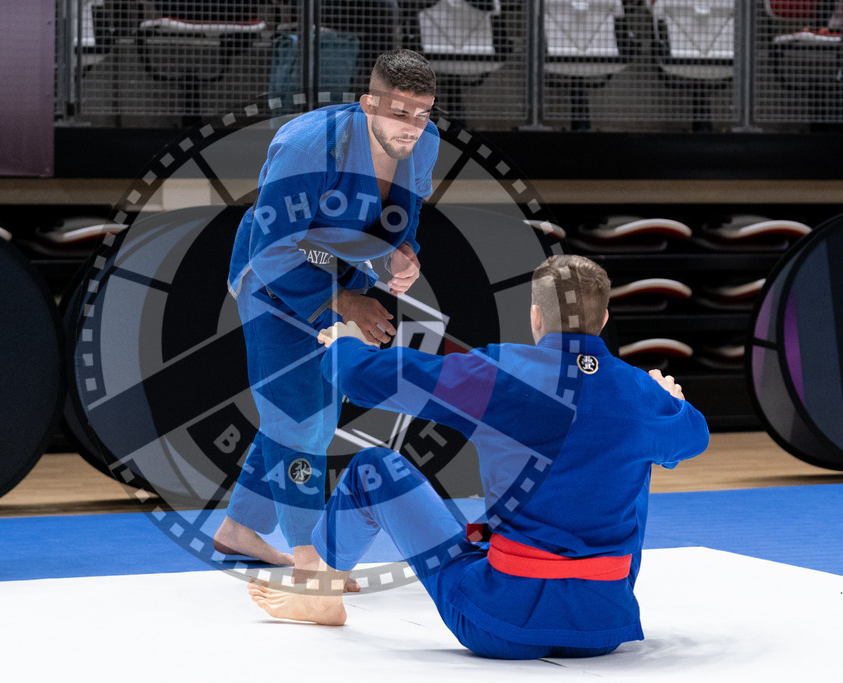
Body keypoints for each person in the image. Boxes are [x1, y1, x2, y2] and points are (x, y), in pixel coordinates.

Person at [248, 254, 710, 659]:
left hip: (497, 621)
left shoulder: (500, 372)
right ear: (605, 318)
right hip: (602, 626)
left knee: (373, 469)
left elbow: (360, 379)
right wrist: (668, 402)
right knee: (644, 447)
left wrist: (344, 343)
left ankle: (322, 594)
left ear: (535, 317)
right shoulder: (640, 392)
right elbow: (695, 435)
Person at [214, 49, 439, 581]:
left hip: (346, 270)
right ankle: (309, 559)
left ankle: (240, 530)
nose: (412, 127)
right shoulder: (308, 144)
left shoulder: (423, 142)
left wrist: (401, 255)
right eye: (399, 113)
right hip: (274, 276)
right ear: (367, 104)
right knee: (302, 417)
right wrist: (344, 300)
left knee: (315, 411)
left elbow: (404, 218)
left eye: (423, 113)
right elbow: (273, 248)